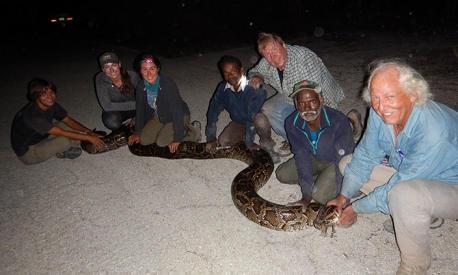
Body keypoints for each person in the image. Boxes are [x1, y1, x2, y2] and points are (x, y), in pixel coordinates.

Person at [327, 58, 458, 275]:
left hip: (452, 185)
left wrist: (355, 208)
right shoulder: (381, 113)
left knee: (403, 194)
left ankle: (414, 264)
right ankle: (427, 214)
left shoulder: (434, 131)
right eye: (375, 97)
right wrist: (344, 197)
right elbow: (365, 156)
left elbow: (396, 186)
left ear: (412, 94)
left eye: (390, 97)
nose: (381, 106)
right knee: (347, 163)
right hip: (419, 173)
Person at [247, 32, 361, 156]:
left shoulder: (303, 57)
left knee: (325, 138)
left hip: (318, 99)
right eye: (267, 54)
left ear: (283, 45)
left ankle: (349, 124)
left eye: (275, 49)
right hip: (290, 96)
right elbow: (254, 71)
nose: (273, 57)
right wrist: (257, 76)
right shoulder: (266, 62)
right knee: (268, 108)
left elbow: (312, 96)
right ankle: (293, 140)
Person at [275, 80, 355, 209]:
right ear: (296, 104)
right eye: (301, 103)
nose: (307, 108)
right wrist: (306, 196)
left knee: (320, 196)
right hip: (314, 156)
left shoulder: (338, 120)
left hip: (336, 160)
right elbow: (301, 156)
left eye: (312, 101)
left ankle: (354, 186)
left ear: (321, 101)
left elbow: (343, 159)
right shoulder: (292, 122)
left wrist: (343, 197)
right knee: (282, 174)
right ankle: (322, 179)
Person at [11, 78, 105, 165]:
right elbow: (62, 133)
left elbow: (68, 121)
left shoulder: (52, 105)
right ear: (36, 97)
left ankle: (89, 141)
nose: (50, 97)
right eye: (44, 94)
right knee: (64, 141)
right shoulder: (32, 116)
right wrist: (89, 138)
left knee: (64, 125)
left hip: (40, 135)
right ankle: (64, 150)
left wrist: (88, 131)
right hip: (28, 152)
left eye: (51, 92)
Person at [204, 55, 279, 162]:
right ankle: (245, 136)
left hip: (255, 119)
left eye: (234, 71)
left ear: (242, 70)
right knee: (224, 141)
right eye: (226, 73)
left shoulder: (255, 88)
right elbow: (213, 112)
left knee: (260, 120)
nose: (230, 76)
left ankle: (268, 145)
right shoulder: (223, 88)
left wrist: (249, 142)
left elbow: (252, 116)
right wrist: (211, 138)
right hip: (240, 121)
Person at [127, 53, 201, 153]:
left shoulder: (168, 85)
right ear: (140, 71)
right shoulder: (141, 86)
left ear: (158, 68)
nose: (149, 73)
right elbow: (140, 110)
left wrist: (177, 139)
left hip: (179, 116)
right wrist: (138, 131)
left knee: (162, 142)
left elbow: (177, 112)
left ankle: (193, 130)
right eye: (144, 69)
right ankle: (165, 129)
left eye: (152, 69)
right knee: (144, 140)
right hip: (159, 116)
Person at [95, 52, 141, 130]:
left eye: (114, 65)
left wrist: (136, 119)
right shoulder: (100, 78)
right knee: (110, 122)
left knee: (151, 112)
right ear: (102, 69)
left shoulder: (132, 75)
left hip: (136, 109)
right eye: (107, 67)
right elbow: (106, 106)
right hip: (117, 110)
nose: (111, 70)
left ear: (119, 64)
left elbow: (144, 99)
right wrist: (137, 104)